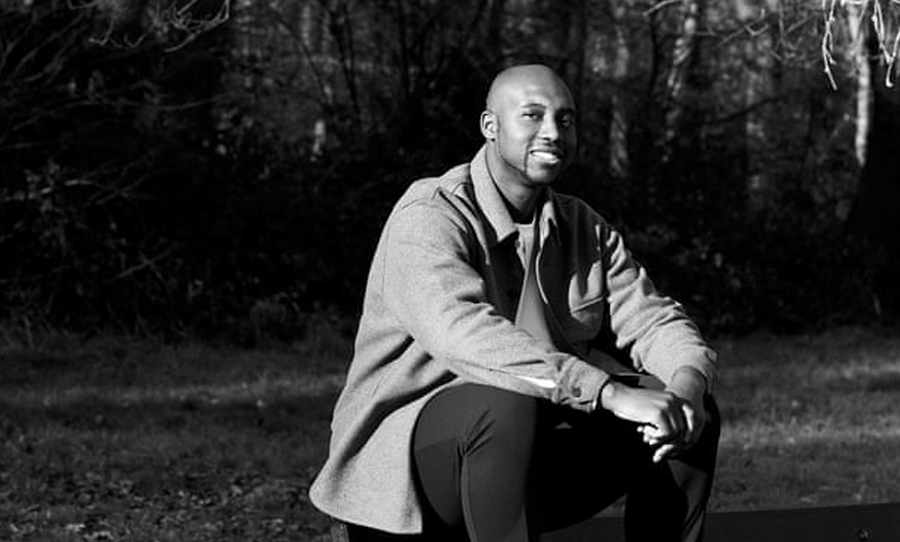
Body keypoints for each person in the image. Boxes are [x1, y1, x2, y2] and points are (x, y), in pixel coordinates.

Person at [310, 64, 720, 542]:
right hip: (413, 484)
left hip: (520, 464)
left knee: (688, 414)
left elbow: (653, 321)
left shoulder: (583, 227)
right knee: (506, 403)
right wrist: (608, 391)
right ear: (491, 127)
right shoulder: (429, 215)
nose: (552, 132)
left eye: (565, 120)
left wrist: (687, 384)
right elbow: (465, 336)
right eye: (532, 115)